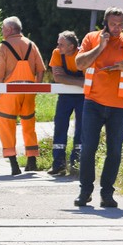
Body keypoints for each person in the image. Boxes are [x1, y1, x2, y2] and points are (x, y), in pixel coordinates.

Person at [74, 7, 123, 208]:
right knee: (88, 149)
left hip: (119, 105)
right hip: (93, 103)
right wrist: (100, 47)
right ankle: (85, 192)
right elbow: (79, 64)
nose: (117, 28)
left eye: (120, 25)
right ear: (105, 24)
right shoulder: (91, 38)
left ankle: (107, 194)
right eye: (113, 24)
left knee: (115, 152)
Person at [0, 16, 45, 176]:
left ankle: (14, 164)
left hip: (9, 92)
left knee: (6, 126)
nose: (2, 31)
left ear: (9, 30)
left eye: (3, 28)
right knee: (29, 126)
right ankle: (32, 161)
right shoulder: (31, 44)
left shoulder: (4, 47)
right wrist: (35, 88)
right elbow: (41, 69)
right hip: (28, 91)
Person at [47, 30, 85, 176]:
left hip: (83, 97)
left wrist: (67, 79)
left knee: (81, 128)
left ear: (71, 46)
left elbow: (89, 80)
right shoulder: (57, 53)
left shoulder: (83, 55)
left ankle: (76, 163)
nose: (58, 46)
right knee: (60, 125)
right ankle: (58, 164)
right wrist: (79, 82)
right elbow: (57, 78)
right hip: (65, 96)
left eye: (61, 44)